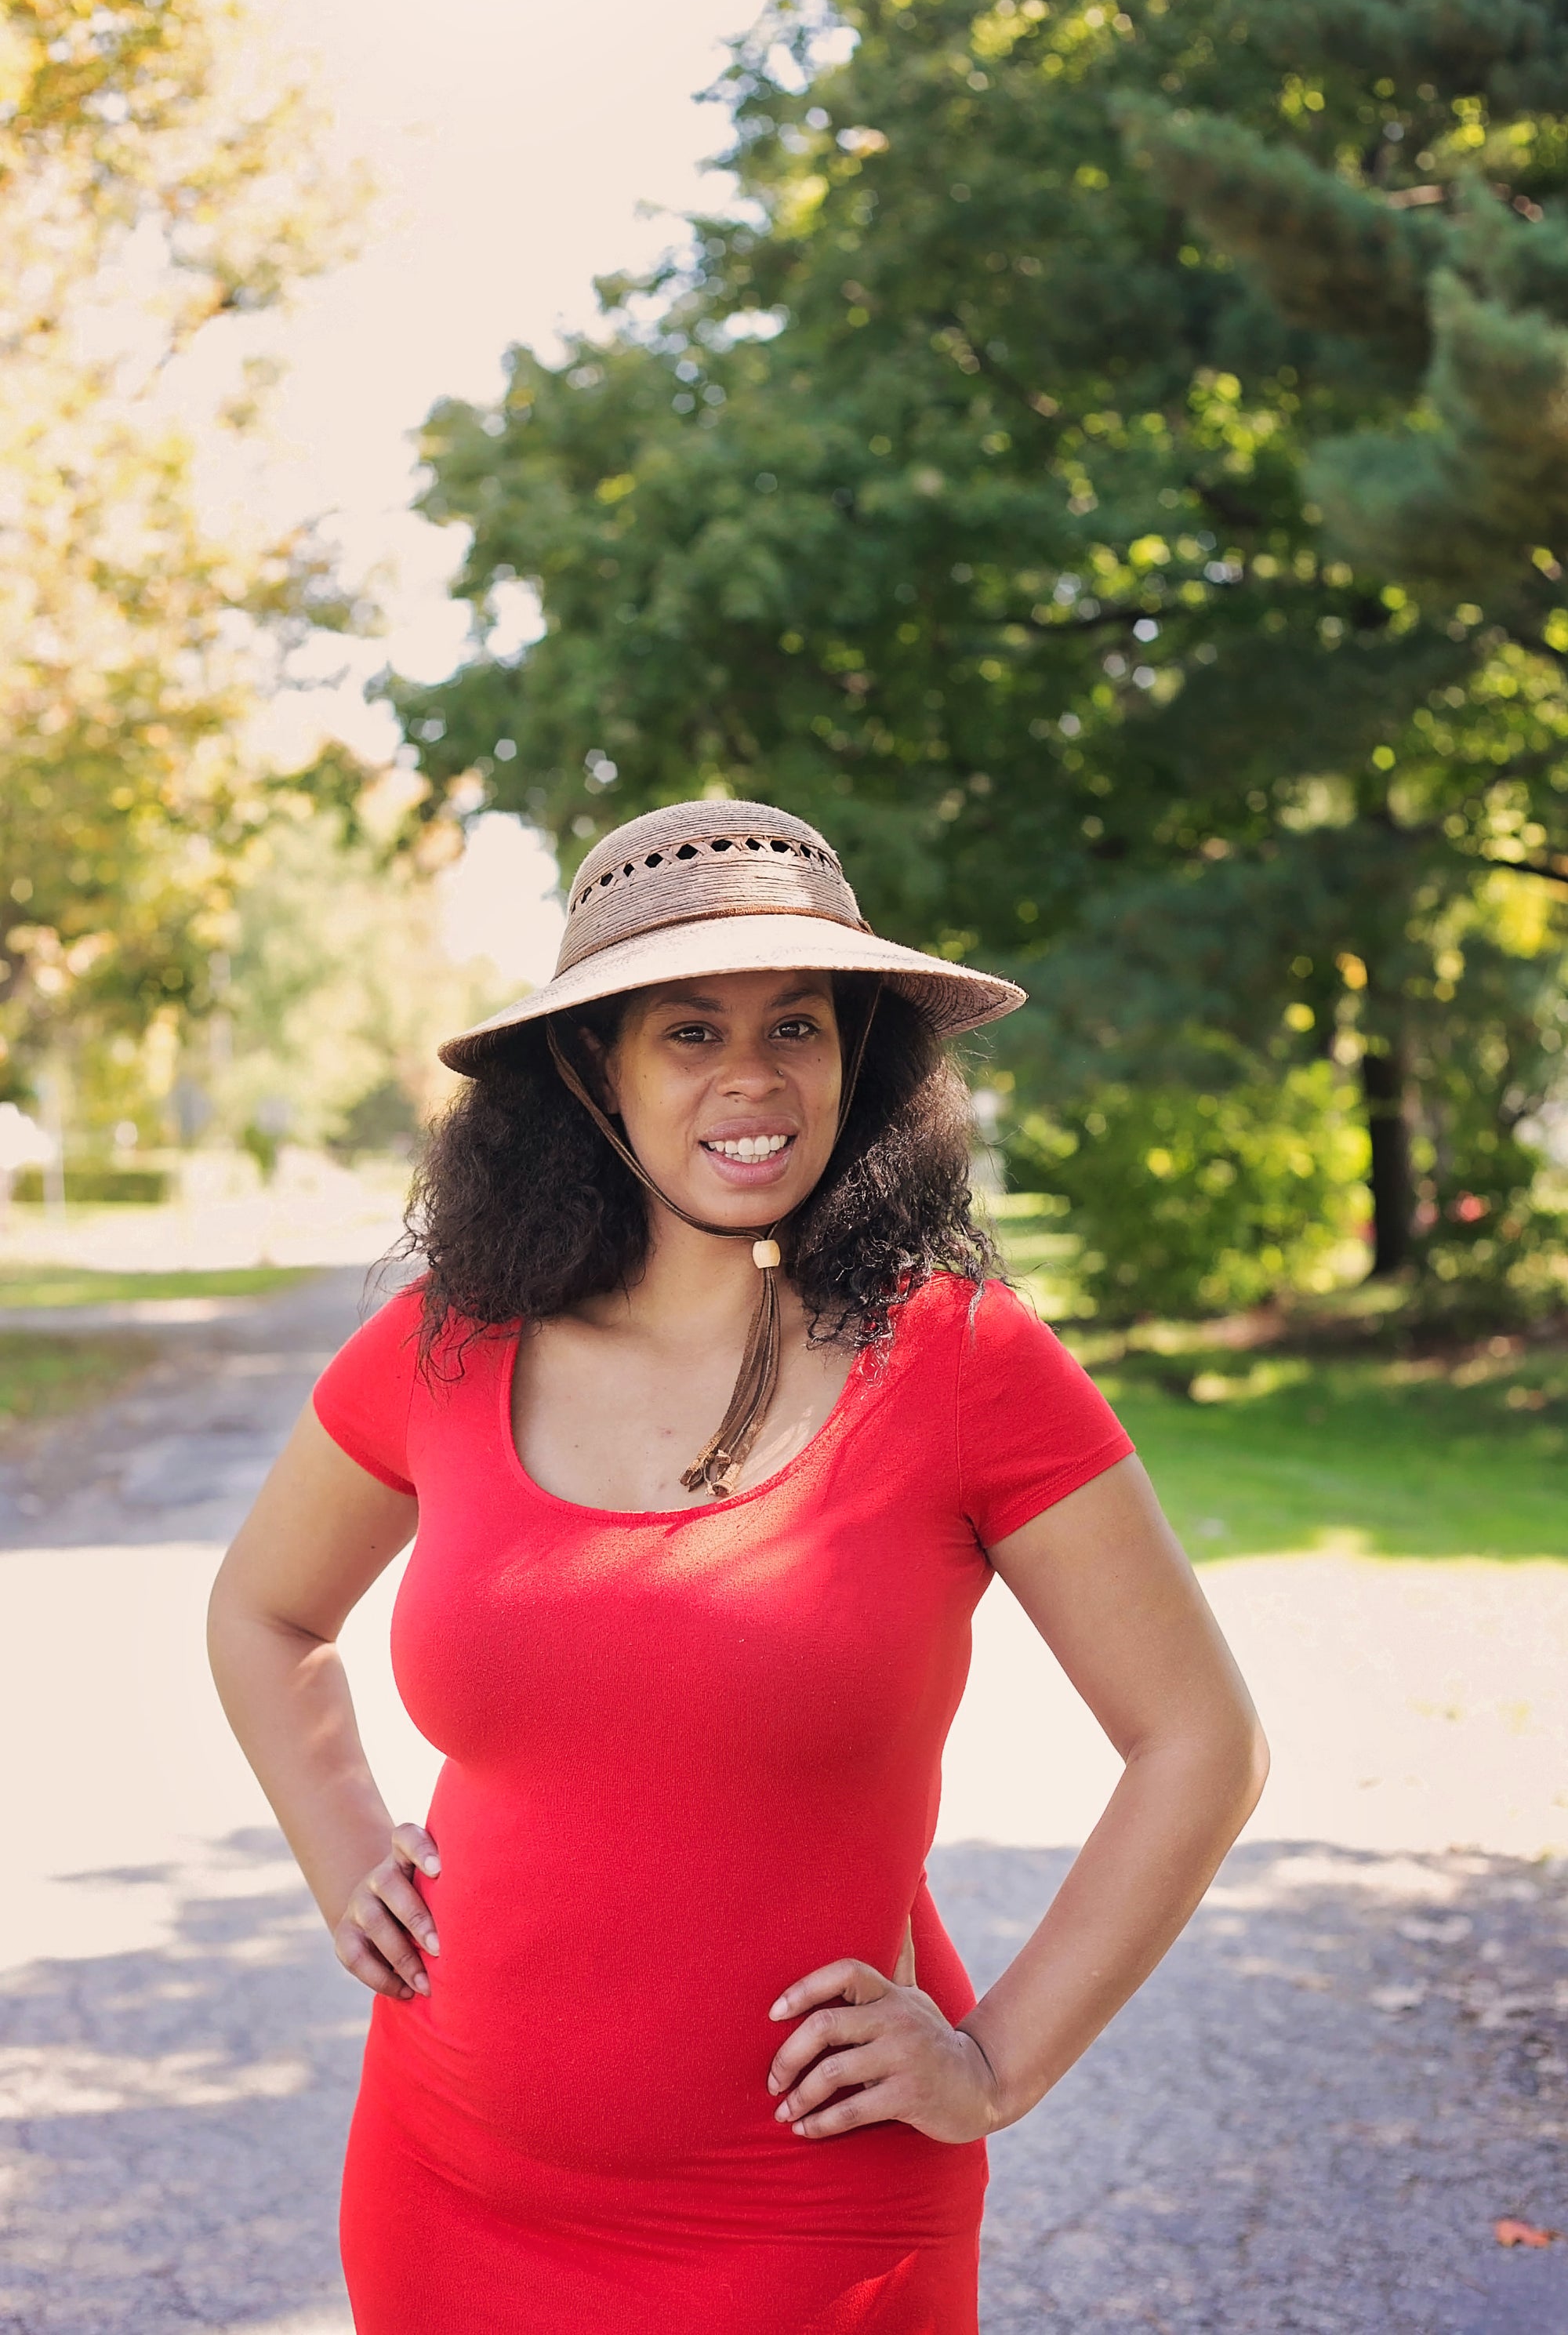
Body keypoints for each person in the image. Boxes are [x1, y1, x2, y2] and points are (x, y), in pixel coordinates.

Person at [208, 798, 1267, 2335]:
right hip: (449, 2184)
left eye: (798, 1026)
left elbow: (1199, 1742)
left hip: (812, 2213)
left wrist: (996, 2060)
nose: (754, 1078)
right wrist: (339, 1844)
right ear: (594, 1069)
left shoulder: (965, 1363)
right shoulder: (447, 1344)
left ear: (857, 1062)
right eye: (688, 1032)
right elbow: (264, 1608)